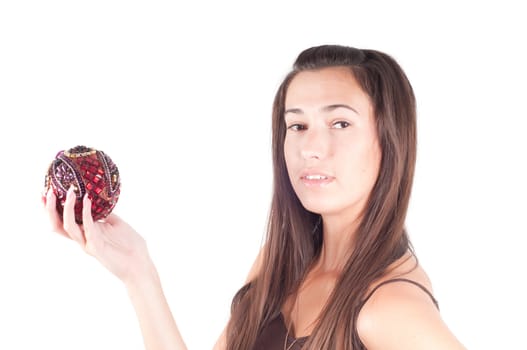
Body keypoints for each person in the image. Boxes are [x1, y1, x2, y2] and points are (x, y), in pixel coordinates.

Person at [43, 44, 466, 349]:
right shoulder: (279, 264)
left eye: (340, 123)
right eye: (296, 126)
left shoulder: (390, 307)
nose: (311, 148)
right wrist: (138, 273)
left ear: (389, 141)